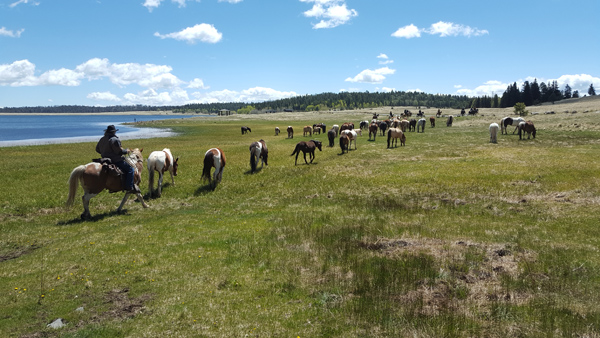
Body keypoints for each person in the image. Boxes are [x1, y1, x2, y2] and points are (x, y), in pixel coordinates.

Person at [96, 125, 140, 193]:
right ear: (114, 132)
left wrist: (104, 152)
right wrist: (126, 151)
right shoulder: (114, 140)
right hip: (115, 160)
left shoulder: (102, 139)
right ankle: (129, 186)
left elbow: (97, 149)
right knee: (130, 169)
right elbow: (119, 152)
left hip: (104, 159)